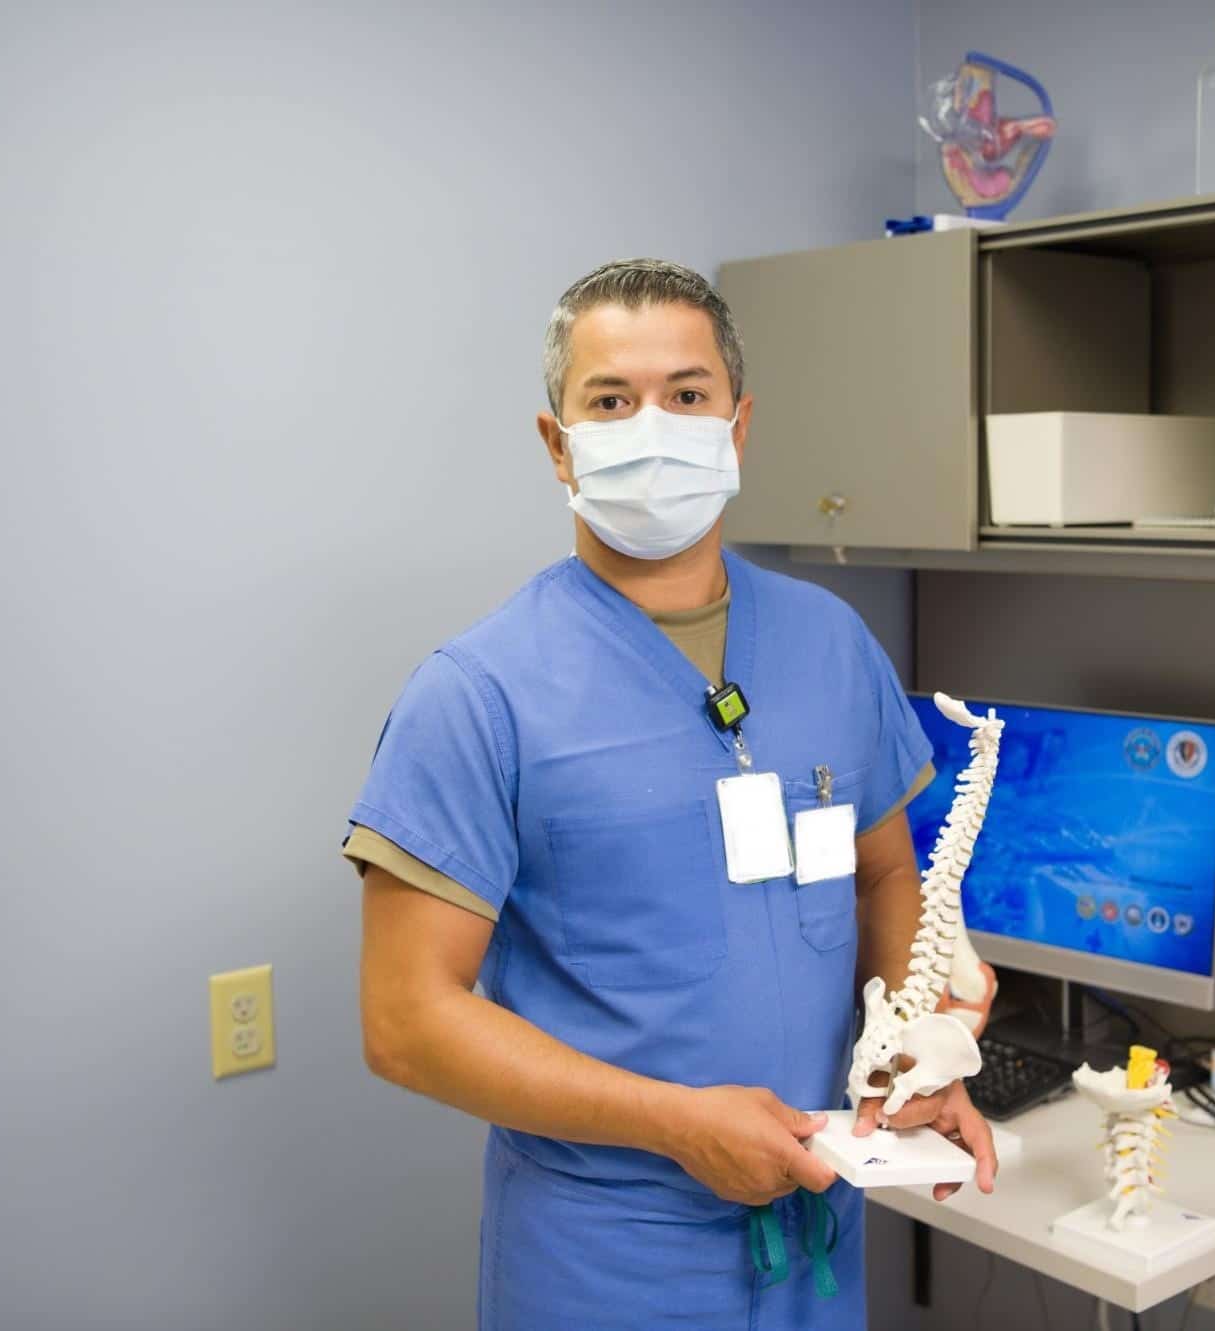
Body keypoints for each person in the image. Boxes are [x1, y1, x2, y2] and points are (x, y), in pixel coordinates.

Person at [346, 258, 998, 1329]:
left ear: (737, 425)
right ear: (557, 443)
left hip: (816, 1230)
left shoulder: (830, 643)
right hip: (608, 1260)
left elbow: (884, 875)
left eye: (686, 394)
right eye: (611, 400)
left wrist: (913, 1052)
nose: (652, 426)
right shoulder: (477, 694)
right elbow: (406, 1019)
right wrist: (673, 1122)